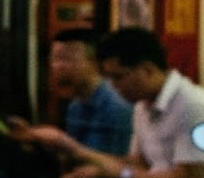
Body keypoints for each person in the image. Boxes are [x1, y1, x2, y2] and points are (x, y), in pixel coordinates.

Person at [32, 25, 204, 178]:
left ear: (146, 70)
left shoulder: (192, 105)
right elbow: (139, 163)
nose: (113, 86)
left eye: (118, 77)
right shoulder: (142, 104)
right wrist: (95, 171)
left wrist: (116, 174)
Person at [15, 30, 134, 162]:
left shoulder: (116, 105)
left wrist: (59, 140)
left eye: (67, 59)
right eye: (54, 59)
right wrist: (35, 138)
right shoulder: (76, 105)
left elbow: (116, 166)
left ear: (93, 63)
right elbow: (71, 158)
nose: (58, 66)